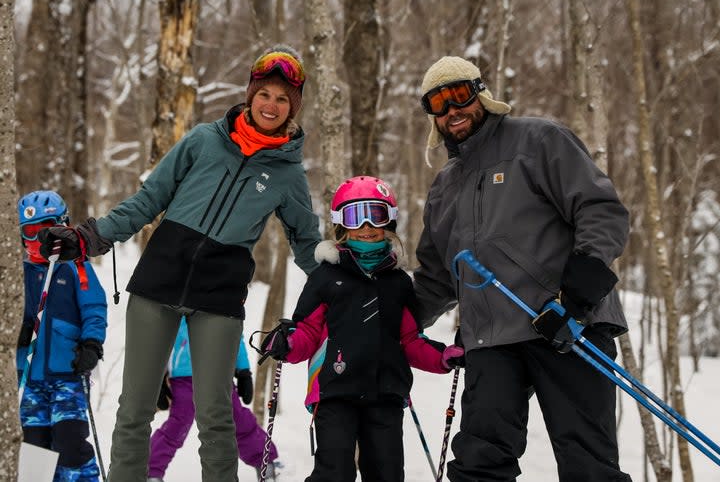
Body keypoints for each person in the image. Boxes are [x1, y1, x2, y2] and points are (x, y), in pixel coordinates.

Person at [39, 44, 321, 482]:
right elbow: (150, 200)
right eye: (265, 94)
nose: (272, 105)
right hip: (158, 285)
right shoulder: (204, 140)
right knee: (135, 407)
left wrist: (343, 282)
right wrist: (92, 236)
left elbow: (307, 242)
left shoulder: (288, 175)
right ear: (251, 95)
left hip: (219, 299)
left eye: (283, 99)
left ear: (293, 108)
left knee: (216, 415)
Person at [413, 56, 633, 482]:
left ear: (480, 93)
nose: (452, 109)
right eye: (438, 103)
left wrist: (577, 298)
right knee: (478, 463)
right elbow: (435, 278)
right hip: (491, 340)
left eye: (459, 94)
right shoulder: (443, 188)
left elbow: (601, 210)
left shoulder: (538, 141)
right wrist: (388, 323)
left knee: (589, 466)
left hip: (566, 325)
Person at [260, 175, 465, 482]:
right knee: (336, 472)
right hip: (334, 392)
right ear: (342, 224)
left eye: (377, 215)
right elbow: (307, 331)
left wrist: (442, 356)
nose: (367, 226)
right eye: (357, 216)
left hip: (386, 394)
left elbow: (409, 338)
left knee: (386, 472)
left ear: (390, 221)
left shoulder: (398, 283)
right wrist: (287, 344)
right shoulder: (326, 277)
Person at [17, 190, 108, 482]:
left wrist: (91, 344)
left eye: (45, 230)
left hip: (67, 374)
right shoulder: (18, 274)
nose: (38, 240)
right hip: (30, 379)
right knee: (34, 448)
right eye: (30, 232)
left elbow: (94, 307)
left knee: (69, 443)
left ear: (62, 226)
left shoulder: (76, 268)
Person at [147, 319, 280, 482]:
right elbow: (162, 336)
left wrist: (243, 370)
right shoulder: (177, 298)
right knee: (177, 425)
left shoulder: (222, 297)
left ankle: (265, 461)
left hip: (217, 371)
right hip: (184, 375)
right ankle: (151, 471)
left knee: (236, 419)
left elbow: (233, 332)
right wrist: (159, 376)